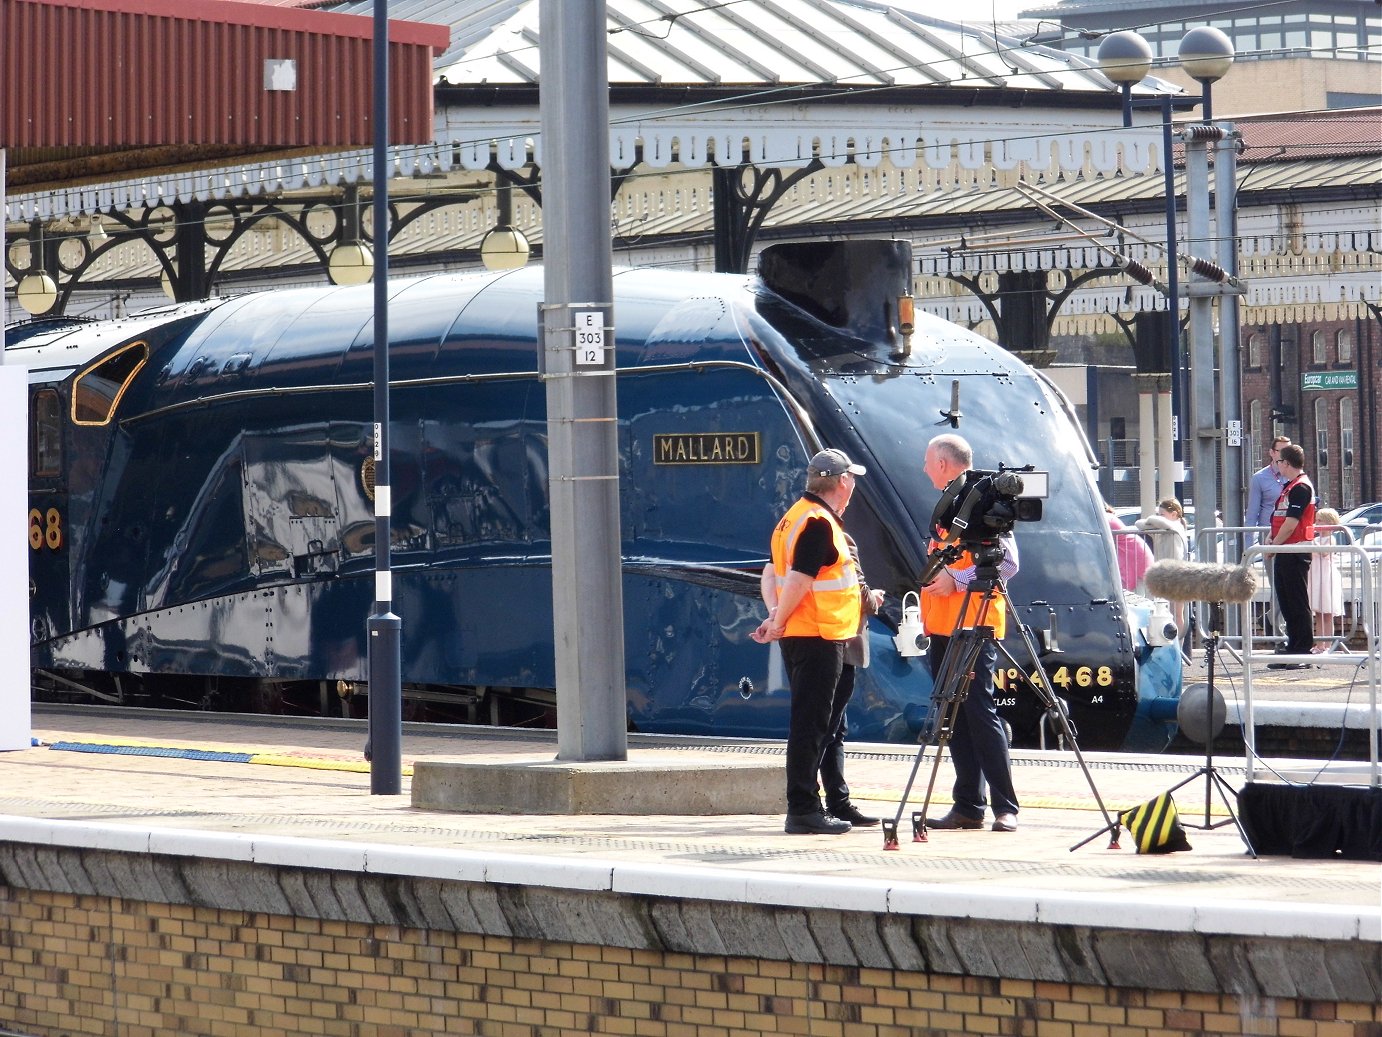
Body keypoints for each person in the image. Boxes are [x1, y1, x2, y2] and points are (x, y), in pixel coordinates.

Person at [751, 448, 876, 835]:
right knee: (811, 724)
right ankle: (803, 809)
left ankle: (817, 804)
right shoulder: (818, 523)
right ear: (841, 482)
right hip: (817, 634)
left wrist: (775, 617)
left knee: (818, 723)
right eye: (851, 478)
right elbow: (801, 580)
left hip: (814, 633)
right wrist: (779, 622)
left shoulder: (791, 519)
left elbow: (772, 575)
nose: (853, 484)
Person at [917, 433, 1021, 834]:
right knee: (953, 714)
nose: (924, 469)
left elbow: (1007, 562)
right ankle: (967, 805)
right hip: (944, 626)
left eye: (928, 461)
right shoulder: (950, 503)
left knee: (979, 710)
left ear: (943, 463)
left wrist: (956, 580)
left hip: (974, 622)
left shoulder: (982, 500)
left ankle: (1005, 806)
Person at [1266, 443, 1316, 668]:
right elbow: (1280, 517)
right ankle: (1292, 647)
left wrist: (1273, 546)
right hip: (1285, 549)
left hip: (1295, 549)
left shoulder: (1301, 487)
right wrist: (1271, 537)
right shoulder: (1290, 486)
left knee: (1296, 600)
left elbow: (1292, 522)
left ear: (1286, 463)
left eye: (1279, 462)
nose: (1278, 466)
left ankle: (1302, 650)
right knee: (1286, 600)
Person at [1308, 507, 1344, 652]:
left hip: (1326, 575)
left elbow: (1324, 552)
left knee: (1327, 613)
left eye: (1320, 520)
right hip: (1316, 575)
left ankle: (1327, 645)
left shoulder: (1331, 539)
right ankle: (1319, 644)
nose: (1316, 523)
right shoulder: (1316, 539)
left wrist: (1312, 543)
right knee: (1318, 613)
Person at [1247, 436, 1291, 542]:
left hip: (1292, 530)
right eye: (1282, 451)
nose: (1287, 455)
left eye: (1289, 451)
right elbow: (1252, 513)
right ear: (1272, 453)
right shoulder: (1259, 478)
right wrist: (1248, 546)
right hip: (1269, 533)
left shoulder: (1296, 475)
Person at [1104, 502, 1152, 594]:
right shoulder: (1109, 517)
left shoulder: (1106, 518)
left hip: (1132, 553)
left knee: (1135, 593)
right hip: (1132, 550)